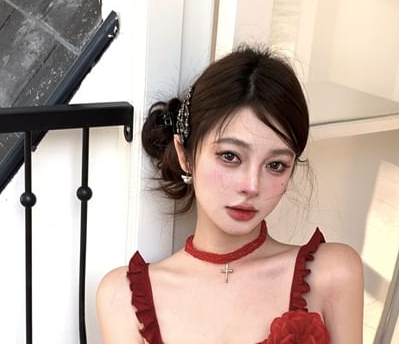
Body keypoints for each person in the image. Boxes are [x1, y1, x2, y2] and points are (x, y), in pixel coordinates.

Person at [96, 46, 364, 343]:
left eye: (275, 165)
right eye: (230, 156)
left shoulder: (333, 273)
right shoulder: (121, 299)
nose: (252, 185)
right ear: (185, 155)